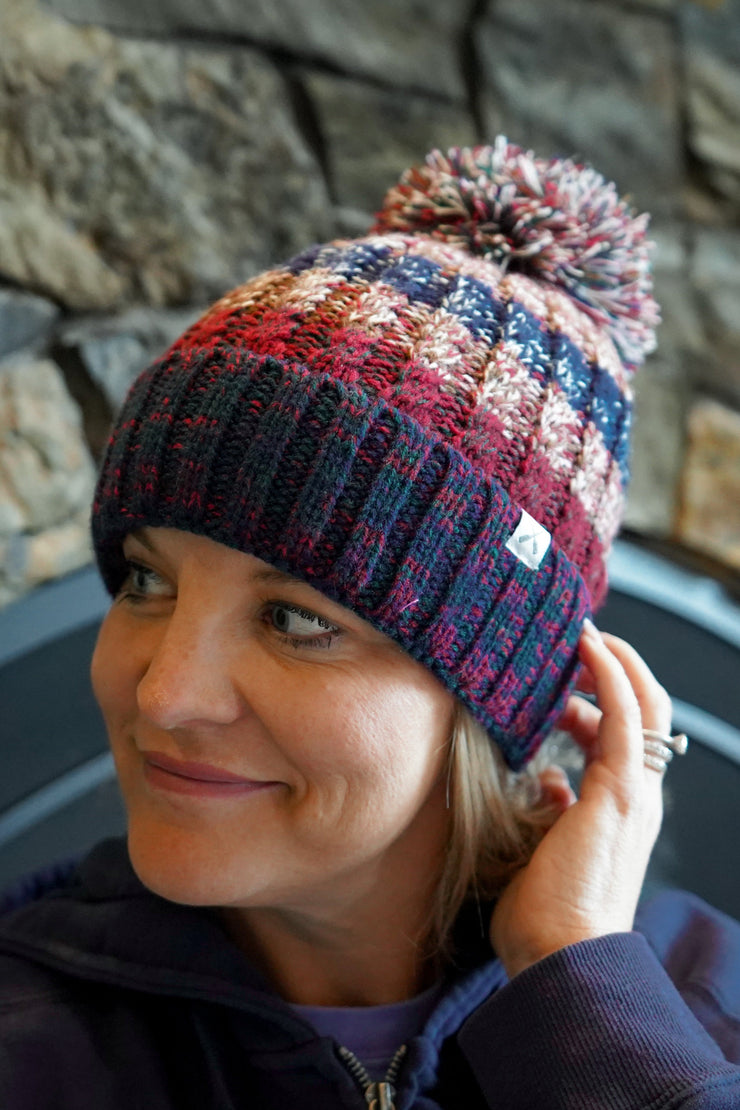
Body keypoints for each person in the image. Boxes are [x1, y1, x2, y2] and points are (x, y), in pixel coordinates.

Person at [1, 138, 739, 1109]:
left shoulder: (708, 1014)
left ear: (495, 690)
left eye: (295, 619)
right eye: (147, 580)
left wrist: (576, 988)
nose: (165, 695)